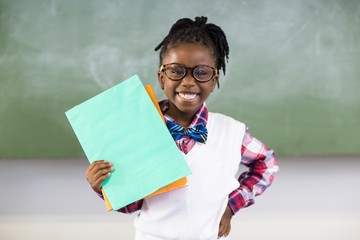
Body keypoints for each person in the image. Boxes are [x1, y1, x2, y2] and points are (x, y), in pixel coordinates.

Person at [85, 16, 279, 240]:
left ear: (214, 80)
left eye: (202, 72)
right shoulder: (139, 128)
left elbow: (267, 164)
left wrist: (231, 206)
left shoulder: (231, 132)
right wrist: (103, 185)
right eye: (176, 71)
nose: (188, 81)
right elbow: (132, 205)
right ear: (161, 78)